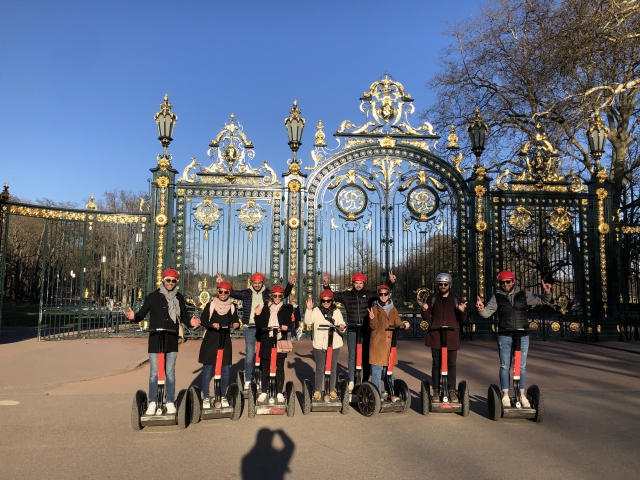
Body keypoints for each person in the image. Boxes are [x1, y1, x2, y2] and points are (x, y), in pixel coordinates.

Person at [124, 268, 200, 415]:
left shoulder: (179, 298)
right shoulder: (152, 297)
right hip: (155, 339)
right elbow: (141, 314)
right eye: (168, 280)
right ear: (163, 280)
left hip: (171, 339)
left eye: (173, 281)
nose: (171, 283)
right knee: (154, 373)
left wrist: (192, 322)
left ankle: (170, 401)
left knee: (170, 373)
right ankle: (153, 401)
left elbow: (184, 317)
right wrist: (134, 317)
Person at [476, 270, 552, 408]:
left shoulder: (524, 295)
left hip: (522, 334)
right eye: (502, 282)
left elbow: (544, 300)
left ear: (513, 281)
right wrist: (481, 309)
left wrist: (547, 292)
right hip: (505, 334)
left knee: (521, 366)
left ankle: (521, 394)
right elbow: (486, 314)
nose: (505, 284)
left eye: (508, 282)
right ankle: (505, 395)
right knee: (505, 365)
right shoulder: (497, 297)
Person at [216, 272, 296, 390]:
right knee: (249, 355)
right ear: (251, 282)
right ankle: (248, 379)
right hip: (250, 327)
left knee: (263, 354)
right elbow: (231, 292)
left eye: (259, 283)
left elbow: (282, 294)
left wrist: (290, 284)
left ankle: (260, 378)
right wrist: (222, 283)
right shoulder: (246, 293)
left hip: (264, 327)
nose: (257, 285)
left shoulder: (268, 293)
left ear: (262, 283)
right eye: (255, 282)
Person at [322, 270, 397, 392]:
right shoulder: (347, 295)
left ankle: (365, 380)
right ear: (353, 283)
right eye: (356, 283)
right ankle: (352, 380)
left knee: (366, 356)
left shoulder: (368, 295)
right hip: (352, 329)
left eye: (361, 283)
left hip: (366, 330)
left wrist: (391, 282)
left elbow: (382, 291)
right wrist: (326, 285)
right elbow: (332, 295)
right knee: (352, 356)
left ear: (364, 284)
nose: (358, 285)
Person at [419, 273, 468, 402]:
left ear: (449, 285)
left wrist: (462, 311)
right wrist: (424, 309)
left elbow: (463, 320)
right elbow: (426, 317)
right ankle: (435, 390)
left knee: (452, 364)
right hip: (436, 335)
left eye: (445, 284)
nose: (443, 286)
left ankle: (451, 390)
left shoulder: (457, 299)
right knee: (436, 364)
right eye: (440, 284)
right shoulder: (432, 298)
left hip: (451, 336)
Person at [198, 281, 240, 409]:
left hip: (225, 340)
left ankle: (222, 396)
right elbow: (203, 320)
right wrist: (212, 324)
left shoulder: (232, 307)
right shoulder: (211, 305)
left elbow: (235, 320)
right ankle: (206, 397)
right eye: (220, 291)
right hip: (211, 340)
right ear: (218, 292)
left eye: (226, 292)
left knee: (226, 370)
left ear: (229, 293)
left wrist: (236, 324)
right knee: (208, 370)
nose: (223, 294)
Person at [367, 285, 410, 397]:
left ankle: (390, 392)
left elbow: (398, 322)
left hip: (390, 344)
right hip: (377, 344)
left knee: (388, 370)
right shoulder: (374, 309)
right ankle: (377, 395)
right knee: (376, 371)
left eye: (385, 294)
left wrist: (405, 324)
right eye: (380, 294)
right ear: (378, 295)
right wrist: (371, 319)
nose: (383, 296)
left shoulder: (393, 309)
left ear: (389, 295)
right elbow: (373, 327)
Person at [253, 285, 293, 402]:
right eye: (275, 295)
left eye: (279, 296)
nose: (277, 298)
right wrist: (257, 314)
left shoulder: (286, 308)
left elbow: (289, 324)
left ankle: (279, 392)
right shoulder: (265, 308)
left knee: (279, 367)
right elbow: (259, 326)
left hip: (280, 340)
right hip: (267, 339)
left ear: (282, 297)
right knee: (265, 367)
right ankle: (264, 391)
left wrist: (286, 327)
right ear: (271, 296)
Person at [304, 290, 346, 400]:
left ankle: (332, 389)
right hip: (319, 344)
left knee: (332, 368)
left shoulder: (336, 311)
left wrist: (341, 326)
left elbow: (342, 324)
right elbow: (308, 321)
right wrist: (309, 309)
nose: (326, 303)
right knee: (320, 368)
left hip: (334, 343)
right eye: (323, 301)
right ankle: (318, 389)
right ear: (321, 301)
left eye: (328, 301)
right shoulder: (317, 310)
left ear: (332, 301)